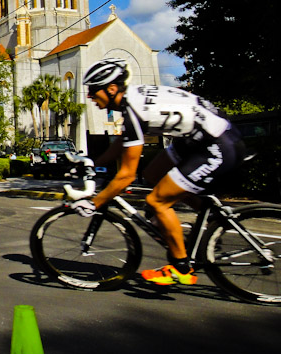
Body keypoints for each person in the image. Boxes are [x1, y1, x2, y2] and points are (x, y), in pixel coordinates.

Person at [72, 58, 245, 286]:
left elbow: (126, 177)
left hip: (216, 145)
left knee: (157, 202)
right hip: (196, 138)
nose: (90, 97)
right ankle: (211, 217)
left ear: (112, 89)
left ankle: (180, 267)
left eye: (93, 91)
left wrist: (95, 203)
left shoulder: (132, 110)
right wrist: (94, 162)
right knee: (153, 174)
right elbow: (123, 142)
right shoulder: (132, 99)